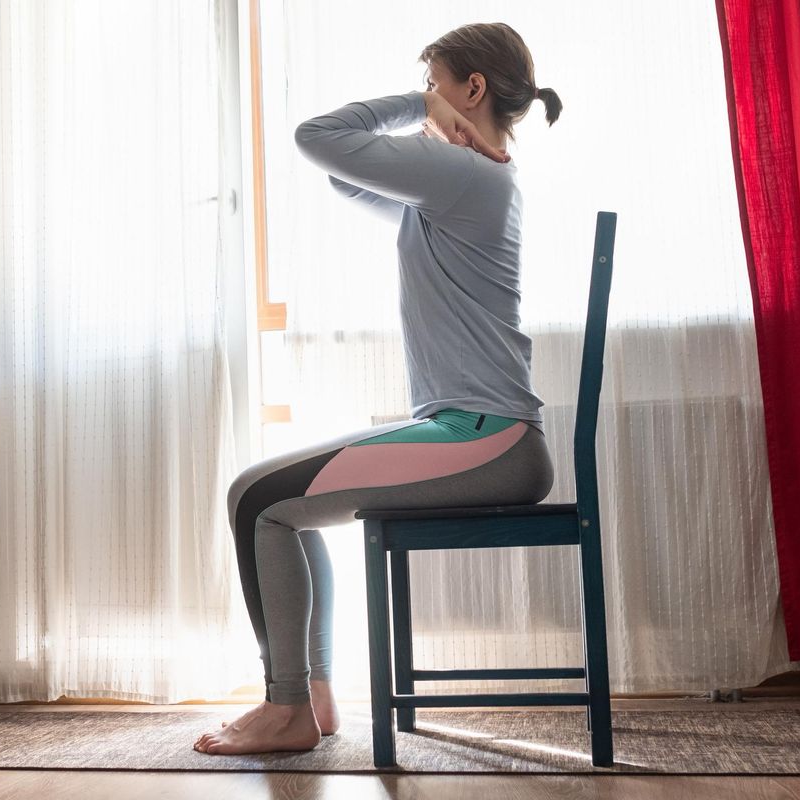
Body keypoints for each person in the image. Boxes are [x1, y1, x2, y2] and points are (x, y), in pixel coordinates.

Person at [194, 21, 563, 756]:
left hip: (485, 438)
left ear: (472, 89)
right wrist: (436, 120)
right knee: (273, 501)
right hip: (477, 433)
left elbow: (316, 134)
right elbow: (341, 172)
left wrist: (417, 107)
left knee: (259, 500)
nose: (427, 97)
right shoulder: (465, 184)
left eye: (435, 81)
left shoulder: (468, 178)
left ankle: (288, 706)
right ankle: (312, 696)